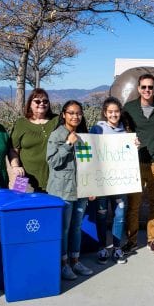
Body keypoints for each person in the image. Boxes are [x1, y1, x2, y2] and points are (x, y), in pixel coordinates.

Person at [122, 73, 154, 254]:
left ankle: (153, 239)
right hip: (135, 163)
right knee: (133, 204)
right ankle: (132, 240)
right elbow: (122, 131)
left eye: (150, 87)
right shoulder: (129, 108)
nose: (147, 90)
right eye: (143, 87)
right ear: (138, 89)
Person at [47, 100, 94, 280]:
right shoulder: (57, 135)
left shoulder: (84, 136)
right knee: (64, 229)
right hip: (62, 191)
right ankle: (63, 264)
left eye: (78, 113)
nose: (75, 116)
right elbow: (52, 162)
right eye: (71, 113)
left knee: (76, 227)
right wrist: (67, 144)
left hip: (81, 190)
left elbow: (89, 165)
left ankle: (75, 260)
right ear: (64, 115)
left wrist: (91, 186)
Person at [89, 97, 132, 265]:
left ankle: (117, 248)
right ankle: (102, 248)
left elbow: (128, 155)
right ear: (105, 113)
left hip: (119, 182)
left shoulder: (125, 131)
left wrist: (133, 145)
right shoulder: (97, 129)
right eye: (110, 112)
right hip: (101, 182)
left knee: (119, 215)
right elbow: (89, 152)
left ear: (120, 113)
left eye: (116, 111)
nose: (114, 114)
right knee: (102, 215)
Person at [11, 88, 58, 192]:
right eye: (37, 101)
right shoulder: (21, 123)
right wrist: (15, 167)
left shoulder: (57, 120)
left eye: (45, 101)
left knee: (51, 206)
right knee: (22, 205)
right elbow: (13, 149)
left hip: (53, 177)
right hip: (24, 178)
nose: (42, 104)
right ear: (30, 104)